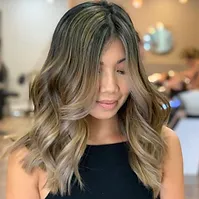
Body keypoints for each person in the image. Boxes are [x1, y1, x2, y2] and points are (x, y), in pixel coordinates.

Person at [6, 1, 184, 199]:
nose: (110, 87)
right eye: (94, 71)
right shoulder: (30, 158)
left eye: (121, 70)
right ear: (66, 72)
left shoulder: (161, 145)